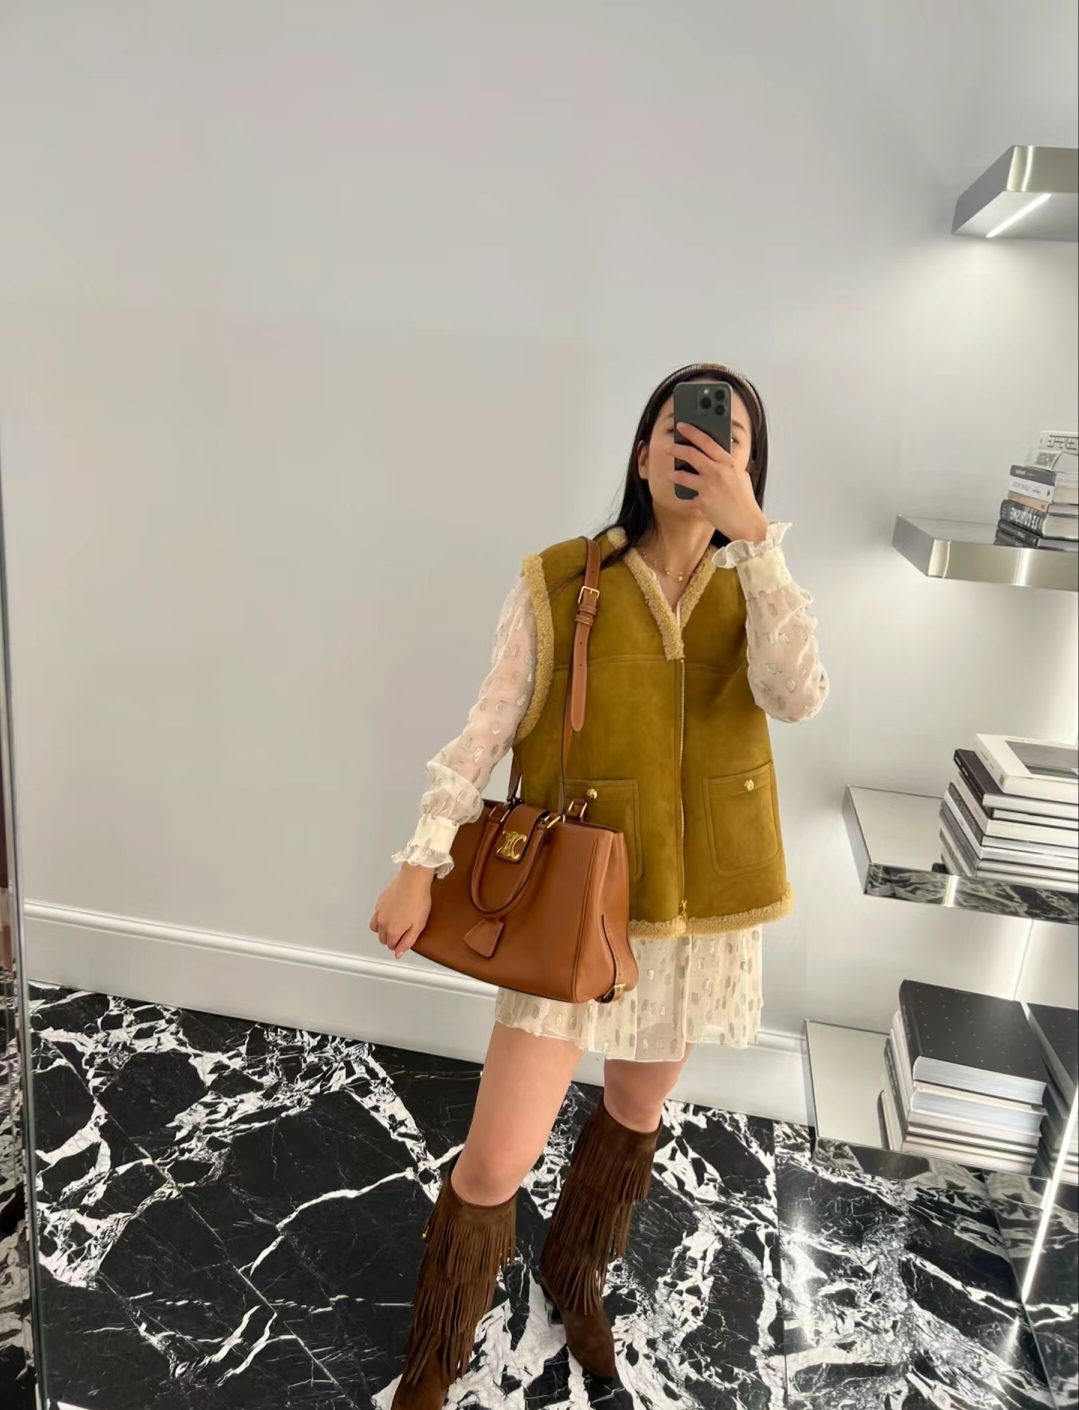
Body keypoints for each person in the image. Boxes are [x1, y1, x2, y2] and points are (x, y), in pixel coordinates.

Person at [370, 362, 828, 1408]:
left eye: (725, 439)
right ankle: (433, 1360)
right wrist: (419, 860)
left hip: (700, 917)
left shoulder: (759, 586)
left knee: (631, 1110)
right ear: (641, 452)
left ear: (749, 466)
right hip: (576, 907)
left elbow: (795, 696)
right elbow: (485, 728)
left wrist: (757, 543)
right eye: (678, 430)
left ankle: (573, 1272)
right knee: (496, 1160)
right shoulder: (558, 579)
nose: (697, 448)